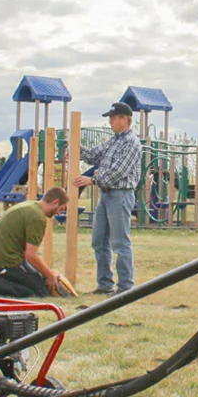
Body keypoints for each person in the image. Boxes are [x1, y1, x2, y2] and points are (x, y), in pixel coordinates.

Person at [72, 102, 142, 294]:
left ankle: (126, 287)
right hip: (106, 194)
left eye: (112, 118)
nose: (110, 122)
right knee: (99, 241)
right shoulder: (115, 141)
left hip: (120, 195)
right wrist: (76, 147)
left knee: (120, 242)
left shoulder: (131, 143)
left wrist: (92, 180)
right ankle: (104, 285)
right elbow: (94, 155)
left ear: (123, 119)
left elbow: (118, 172)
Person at [0, 187, 68, 298]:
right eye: (61, 209)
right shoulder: (37, 217)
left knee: (40, 280)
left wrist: (47, 273)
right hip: (7, 260)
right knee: (40, 293)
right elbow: (31, 255)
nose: (59, 214)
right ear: (55, 202)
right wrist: (50, 275)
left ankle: (0, 277)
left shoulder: (31, 206)